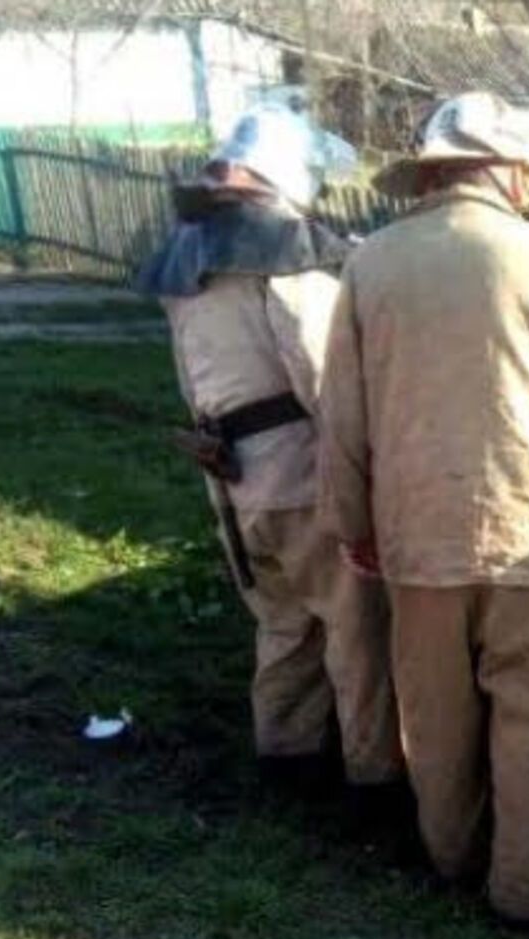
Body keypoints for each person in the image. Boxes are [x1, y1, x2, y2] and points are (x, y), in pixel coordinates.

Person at [319, 92, 529, 922]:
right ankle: (525, 899)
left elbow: (341, 419)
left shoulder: (370, 266)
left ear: (430, 175)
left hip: (417, 541)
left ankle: (452, 862)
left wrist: (355, 529)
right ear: (511, 173)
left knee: (436, 723)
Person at [136, 106, 402, 792]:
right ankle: (373, 776)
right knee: (355, 630)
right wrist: (368, 470)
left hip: (234, 477)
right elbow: (323, 379)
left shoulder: (188, 253)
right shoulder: (281, 256)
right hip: (302, 476)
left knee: (283, 623)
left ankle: (286, 755)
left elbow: (193, 377)